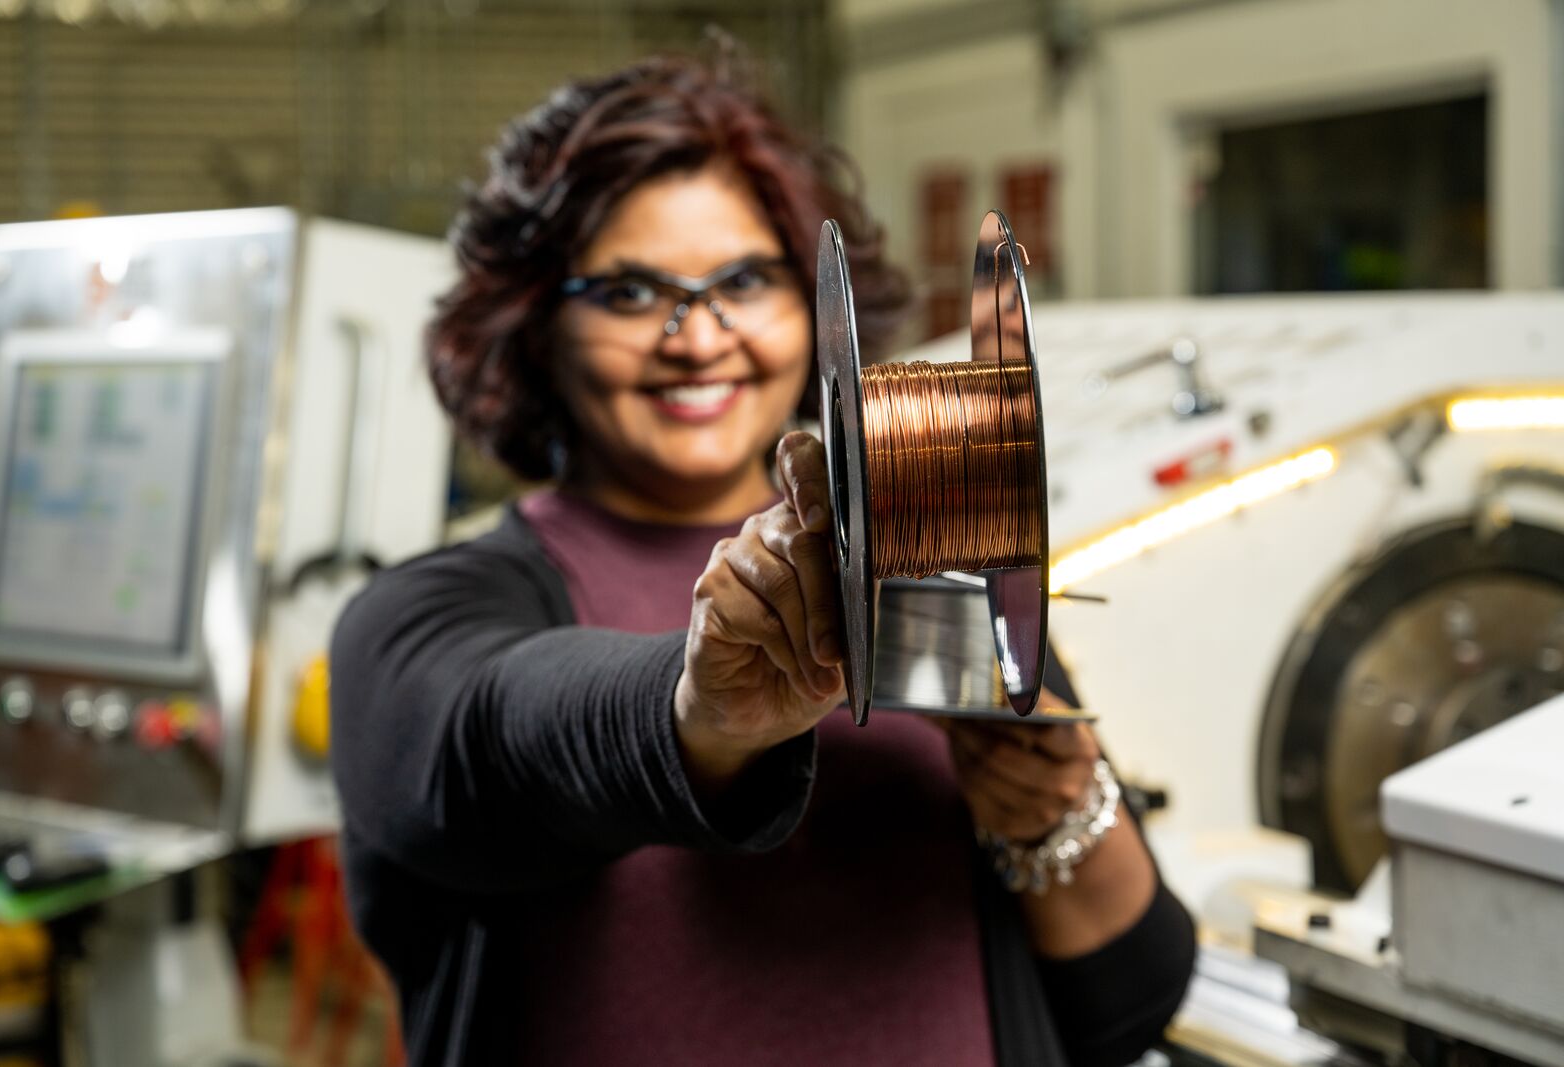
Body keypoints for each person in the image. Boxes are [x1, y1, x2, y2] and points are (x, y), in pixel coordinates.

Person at [330, 49, 1196, 1067]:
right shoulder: (419, 622)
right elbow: (502, 736)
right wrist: (703, 712)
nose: (698, 338)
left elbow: (1129, 1005)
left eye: (743, 278)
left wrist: (1058, 820)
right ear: (536, 327)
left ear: (808, 305)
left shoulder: (949, 578)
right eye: (627, 292)